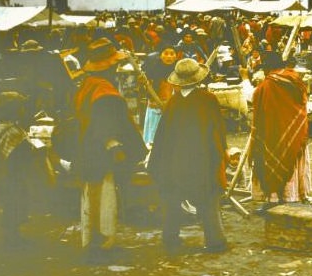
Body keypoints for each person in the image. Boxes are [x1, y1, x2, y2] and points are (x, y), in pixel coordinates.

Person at [74, 38, 147, 262]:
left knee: (90, 196)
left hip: (87, 149)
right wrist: (128, 150)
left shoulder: (89, 85)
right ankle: (101, 244)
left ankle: (93, 241)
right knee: (103, 198)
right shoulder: (106, 94)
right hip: (102, 154)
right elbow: (112, 128)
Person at [147, 57, 229, 254]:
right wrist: (220, 155)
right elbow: (217, 130)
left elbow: (163, 135)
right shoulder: (208, 99)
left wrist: (160, 162)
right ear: (198, 79)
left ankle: (170, 238)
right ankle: (215, 241)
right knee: (208, 200)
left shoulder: (173, 103)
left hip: (176, 161)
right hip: (202, 160)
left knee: (173, 200)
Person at [0, 91, 51, 248]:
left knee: (11, 206)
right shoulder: (14, 132)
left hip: (6, 175)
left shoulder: (3, 127)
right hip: (13, 176)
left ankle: (12, 236)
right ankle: (12, 239)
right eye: (21, 107)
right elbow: (20, 155)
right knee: (15, 205)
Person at [250, 51, 311, 207]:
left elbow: (259, 112)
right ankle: (292, 195)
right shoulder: (296, 80)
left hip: (272, 132)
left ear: (267, 68)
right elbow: (303, 103)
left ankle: (274, 198)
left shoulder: (265, 86)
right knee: (292, 159)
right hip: (295, 132)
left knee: (271, 161)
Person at [141, 44, 178, 146]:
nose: (169, 56)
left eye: (172, 54)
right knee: (154, 138)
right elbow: (148, 90)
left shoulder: (177, 71)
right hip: (156, 108)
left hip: (171, 108)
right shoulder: (153, 70)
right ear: (160, 56)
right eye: (166, 53)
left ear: (176, 56)